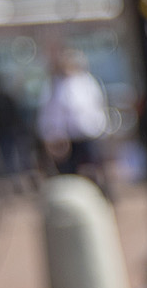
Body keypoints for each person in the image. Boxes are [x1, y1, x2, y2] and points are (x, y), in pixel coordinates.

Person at [35, 45, 112, 197]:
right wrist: (52, 134)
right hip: (67, 138)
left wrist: (101, 127)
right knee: (70, 174)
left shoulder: (86, 82)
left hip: (88, 133)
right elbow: (50, 113)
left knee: (93, 168)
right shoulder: (55, 85)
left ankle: (99, 196)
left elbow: (96, 106)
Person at [0, 68, 34, 194]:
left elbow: (16, 115)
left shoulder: (6, 98)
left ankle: (25, 179)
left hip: (12, 132)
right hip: (4, 133)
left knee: (20, 157)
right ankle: (16, 181)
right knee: (10, 158)